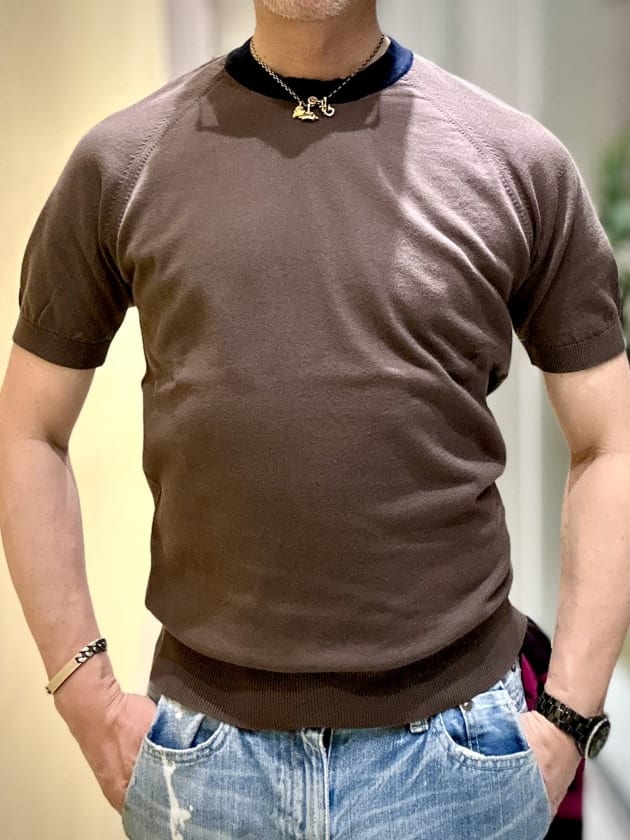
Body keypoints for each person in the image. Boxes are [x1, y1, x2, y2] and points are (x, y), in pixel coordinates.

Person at [1, 0, 629, 837]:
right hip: (207, 763)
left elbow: (611, 443)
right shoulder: (121, 163)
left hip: (460, 760)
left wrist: (569, 721)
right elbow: (29, 432)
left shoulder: (520, 163)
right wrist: (85, 696)